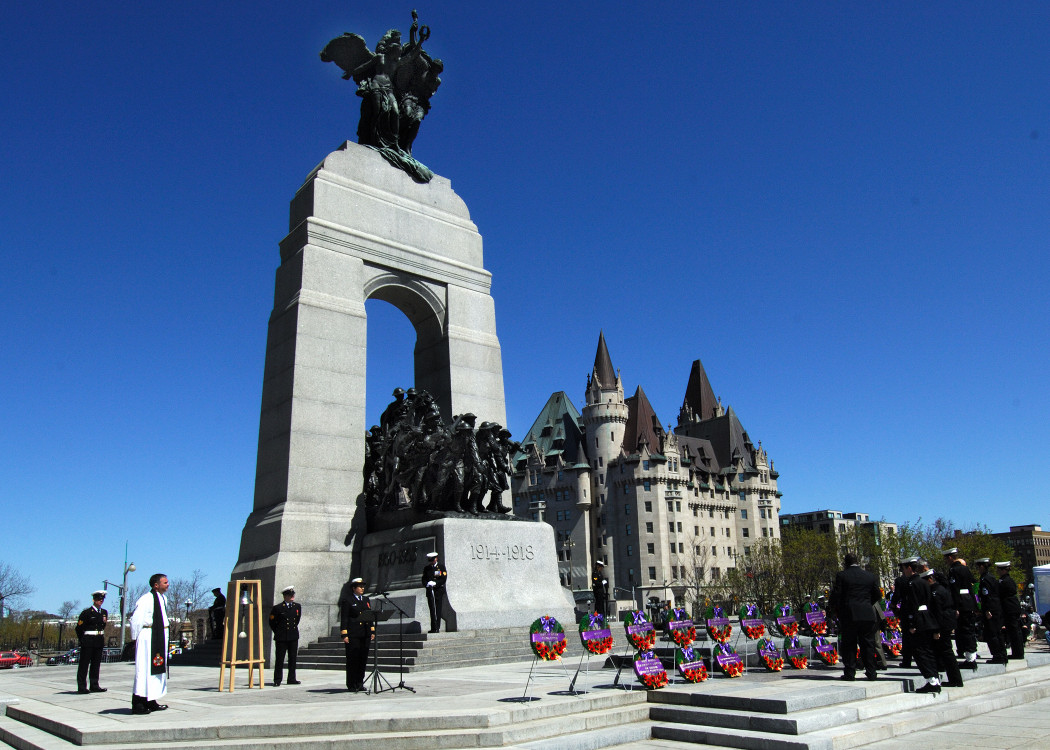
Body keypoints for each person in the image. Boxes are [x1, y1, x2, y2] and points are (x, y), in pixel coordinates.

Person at [829, 553, 880, 681]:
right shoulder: (869, 576)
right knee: (868, 645)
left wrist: (833, 607)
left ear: (845, 562)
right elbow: (877, 595)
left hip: (849, 614)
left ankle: (850, 673)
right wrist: (866, 604)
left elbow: (837, 594)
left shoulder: (842, 575)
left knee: (849, 644)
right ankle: (871, 672)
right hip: (867, 615)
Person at [130, 573, 170, 714]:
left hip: (160, 636)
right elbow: (136, 620)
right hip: (148, 637)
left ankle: (151, 700)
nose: (168, 584)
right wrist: (135, 639)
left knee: (156, 670)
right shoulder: (146, 599)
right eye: (165, 582)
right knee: (144, 669)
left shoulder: (163, 598)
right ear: (156, 585)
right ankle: (138, 703)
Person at [899, 559, 941, 693]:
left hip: (918, 621)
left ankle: (931, 680)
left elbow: (911, 605)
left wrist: (911, 623)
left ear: (910, 568)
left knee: (920, 652)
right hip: (927, 619)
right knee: (928, 651)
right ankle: (934, 678)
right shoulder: (924, 583)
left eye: (904, 568)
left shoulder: (911, 584)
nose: (903, 571)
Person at [924, 569, 964, 687]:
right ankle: (955, 679)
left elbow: (938, 612)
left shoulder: (935, 592)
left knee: (946, 653)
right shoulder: (943, 589)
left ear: (930, 579)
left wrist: (937, 630)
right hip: (947, 623)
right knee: (947, 652)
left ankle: (955, 679)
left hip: (941, 625)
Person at [941, 547, 978, 670]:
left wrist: (955, 606)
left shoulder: (954, 570)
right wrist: (974, 604)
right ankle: (971, 656)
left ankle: (970, 659)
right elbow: (971, 586)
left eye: (946, 558)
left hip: (961, 604)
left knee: (964, 631)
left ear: (950, 557)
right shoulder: (965, 569)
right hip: (968, 602)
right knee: (970, 630)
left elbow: (954, 589)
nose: (946, 561)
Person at [340, 577, 374, 692]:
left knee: (362, 659)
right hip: (353, 634)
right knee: (352, 659)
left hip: (365, 633)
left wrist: (372, 630)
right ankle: (351, 683)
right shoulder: (347, 600)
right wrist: (344, 634)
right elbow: (344, 618)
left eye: (363, 586)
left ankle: (360, 683)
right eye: (360, 586)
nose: (362, 588)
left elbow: (369, 615)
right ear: (354, 588)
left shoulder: (366, 600)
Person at [75, 590, 108, 694]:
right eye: (98, 599)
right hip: (88, 640)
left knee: (96, 664)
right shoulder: (87, 613)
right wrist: (83, 640)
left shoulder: (104, 612)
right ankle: (82, 687)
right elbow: (79, 628)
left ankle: (94, 685)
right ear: (94, 600)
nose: (100, 601)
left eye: (102, 599)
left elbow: (103, 626)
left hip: (98, 640)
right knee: (84, 664)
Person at [975, 558, 1008, 664]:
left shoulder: (985, 579)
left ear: (981, 567)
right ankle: (1002, 655)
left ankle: (998, 655)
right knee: (997, 633)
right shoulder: (991, 577)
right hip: (996, 608)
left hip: (991, 609)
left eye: (978, 567)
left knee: (992, 633)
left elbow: (987, 595)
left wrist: (987, 609)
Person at [268, 585, 301, 686]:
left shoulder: (297, 606)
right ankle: (277, 679)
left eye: (293, 594)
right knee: (280, 659)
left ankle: (291, 678)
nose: (292, 596)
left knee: (293, 658)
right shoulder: (277, 608)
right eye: (290, 595)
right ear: (285, 596)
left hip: (293, 636)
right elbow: (272, 622)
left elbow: (297, 620)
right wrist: (278, 632)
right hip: (281, 637)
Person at [996, 561, 1025, 660]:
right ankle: (1018, 652)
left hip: (1010, 608)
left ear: (1003, 570)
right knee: (1015, 631)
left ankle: (1018, 653)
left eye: (999, 570)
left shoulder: (1004, 581)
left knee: (1014, 632)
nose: (998, 572)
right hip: (1012, 607)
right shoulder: (1008, 580)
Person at [421, 551, 447, 633]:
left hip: (438, 591)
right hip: (430, 591)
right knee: (432, 609)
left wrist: (436, 583)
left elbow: (443, 579)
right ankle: (433, 627)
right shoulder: (427, 568)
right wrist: (427, 584)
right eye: (430, 560)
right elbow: (423, 579)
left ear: (436, 558)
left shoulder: (441, 567)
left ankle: (437, 627)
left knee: (438, 609)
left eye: (432, 560)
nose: (431, 562)